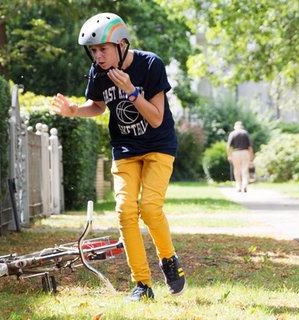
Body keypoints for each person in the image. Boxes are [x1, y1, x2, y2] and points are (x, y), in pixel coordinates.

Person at [51, 12, 185, 301]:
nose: (97, 56)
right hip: (125, 148)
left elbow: (157, 118)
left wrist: (132, 92)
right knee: (125, 212)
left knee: (149, 209)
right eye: (93, 51)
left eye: (103, 49)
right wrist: (75, 110)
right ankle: (142, 285)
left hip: (159, 145)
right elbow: (97, 105)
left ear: (122, 44)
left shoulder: (150, 65)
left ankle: (168, 258)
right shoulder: (98, 72)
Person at [226, 121, 254, 192]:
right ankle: (244, 185)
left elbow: (228, 146)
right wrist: (251, 159)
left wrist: (229, 155)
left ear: (235, 127)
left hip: (236, 152)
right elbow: (250, 147)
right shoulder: (245, 133)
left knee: (237, 170)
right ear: (241, 126)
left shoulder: (232, 133)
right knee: (245, 170)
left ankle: (238, 186)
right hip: (245, 152)